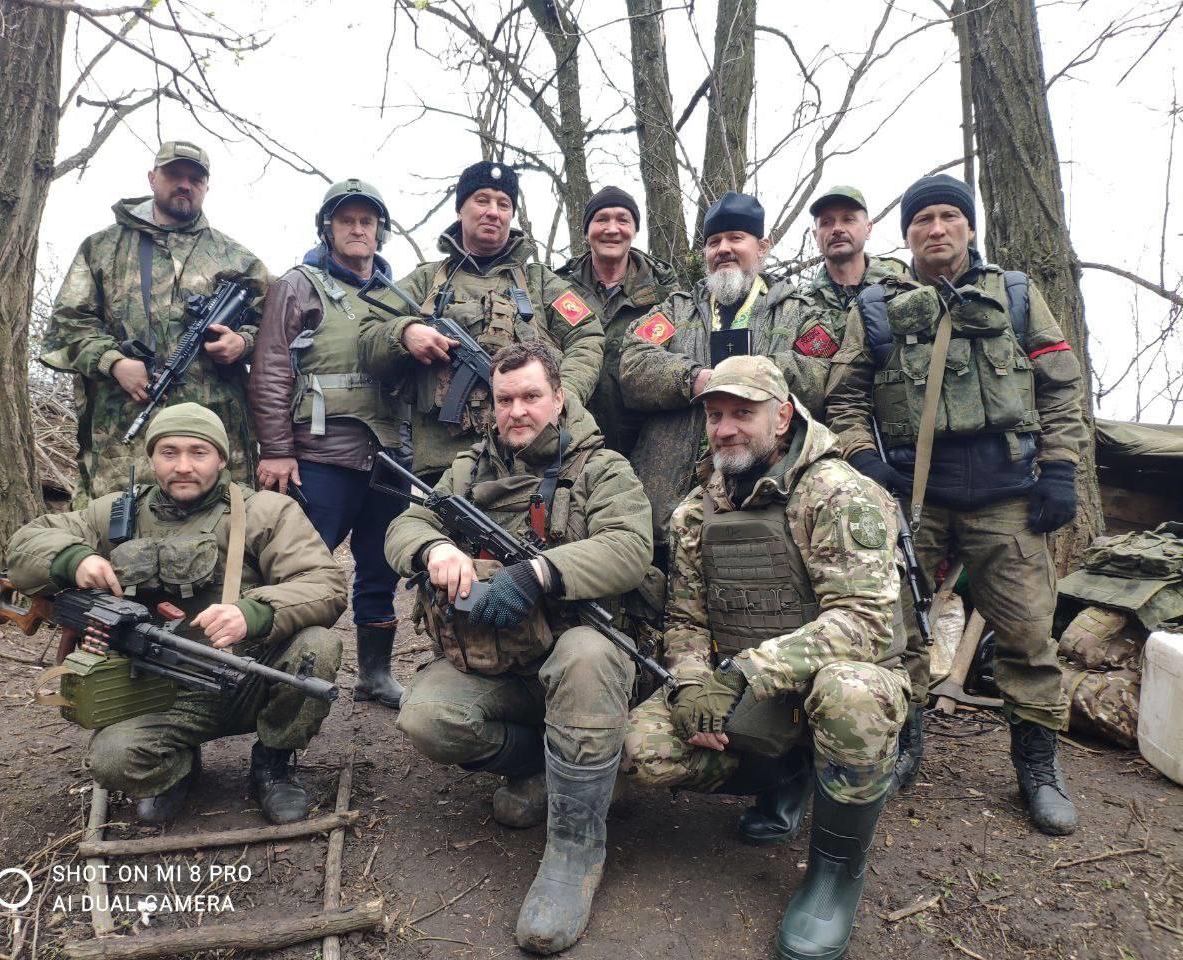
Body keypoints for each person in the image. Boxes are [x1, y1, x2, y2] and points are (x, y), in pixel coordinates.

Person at [621, 354, 908, 960]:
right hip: (748, 689)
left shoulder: (835, 493)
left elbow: (866, 621)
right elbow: (686, 620)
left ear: (781, 418)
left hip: (830, 677)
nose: (725, 428)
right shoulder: (697, 511)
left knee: (851, 696)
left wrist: (747, 672)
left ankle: (834, 874)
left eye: (742, 414)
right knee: (647, 747)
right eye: (715, 415)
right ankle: (786, 777)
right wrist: (693, 685)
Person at [824, 173, 1085, 835]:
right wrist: (864, 463)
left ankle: (1037, 765)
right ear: (907, 233)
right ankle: (904, 737)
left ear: (969, 226)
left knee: (1027, 635)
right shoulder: (877, 308)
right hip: (915, 502)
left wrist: (1059, 471)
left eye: (948, 217)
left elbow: (1059, 389)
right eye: (922, 221)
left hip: (1008, 499)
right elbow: (845, 399)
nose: (935, 229)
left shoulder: (1018, 296)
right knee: (895, 630)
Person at [384, 341, 652, 954]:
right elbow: (407, 523)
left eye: (531, 396)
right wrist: (434, 549)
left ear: (559, 397)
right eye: (505, 399)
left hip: (580, 660)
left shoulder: (601, 467)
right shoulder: (467, 469)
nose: (517, 410)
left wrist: (537, 574)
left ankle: (574, 848)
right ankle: (543, 768)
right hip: (501, 661)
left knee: (587, 656)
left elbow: (631, 548)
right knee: (427, 718)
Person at [5, 403, 346, 826]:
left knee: (317, 647)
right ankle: (177, 766)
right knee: (112, 761)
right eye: (169, 452)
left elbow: (325, 583)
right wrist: (72, 559)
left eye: (198, 453)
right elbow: (26, 542)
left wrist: (254, 612)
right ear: (151, 458)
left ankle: (274, 761)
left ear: (222, 458)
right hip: (154, 689)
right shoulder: (115, 512)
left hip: (246, 674)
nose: (183, 466)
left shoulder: (264, 512)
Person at [248, 179, 407, 709]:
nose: (358, 228)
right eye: (347, 220)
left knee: (379, 569)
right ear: (328, 228)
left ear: (380, 230)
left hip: (387, 459)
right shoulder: (297, 286)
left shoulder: (399, 296)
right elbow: (270, 369)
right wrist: (275, 448)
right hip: (319, 458)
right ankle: (274, 672)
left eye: (368, 220)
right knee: (301, 571)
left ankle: (376, 674)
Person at [41, 141, 269, 504]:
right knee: (115, 532)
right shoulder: (101, 249)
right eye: (174, 174)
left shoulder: (239, 260)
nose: (184, 184)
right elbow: (66, 327)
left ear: (206, 187)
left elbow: (275, 333)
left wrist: (243, 343)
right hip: (123, 438)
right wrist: (113, 362)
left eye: (195, 178)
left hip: (215, 437)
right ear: (152, 178)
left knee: (221, 535)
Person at [358, 160, 604, 482]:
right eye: (482, 200)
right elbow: (367, 335)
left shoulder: (540, 283)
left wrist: (559, 396)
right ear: (461, 209)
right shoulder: (425, 281)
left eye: (504, 204)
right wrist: (404, 333)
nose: (493, 211)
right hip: (444, 465)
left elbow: (587, 336)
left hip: (528, 460)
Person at [618, 191, 831, 558]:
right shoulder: (675, 310)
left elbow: (817, 374)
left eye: (736, 238)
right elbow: (633, 362)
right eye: (714, 242)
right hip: (665, 508)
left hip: (766, 507)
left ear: (762, 247)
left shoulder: (799, 312)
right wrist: (695, 378)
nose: (724, 249)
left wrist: (743, 379)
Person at [555, 186, 678, 455]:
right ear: (586, 231)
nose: (612, 229)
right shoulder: (557, 290)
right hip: (569, 439)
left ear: (634, 230)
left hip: (644, 443)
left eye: (623, 220)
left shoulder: (666, 295)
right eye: (601, 219)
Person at [800, 185, 908, 340]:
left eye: (848, 219)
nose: (837, 229)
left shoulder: (900, 286)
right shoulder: (799, 305)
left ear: (868, 229)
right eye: (826, 222)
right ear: (816, 235)